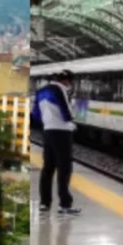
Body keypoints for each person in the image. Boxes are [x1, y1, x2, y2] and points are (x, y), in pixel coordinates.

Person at [35, 70, 81, 215]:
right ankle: (64, 205)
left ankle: (44, 203)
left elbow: (36, 113)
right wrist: (72, 121)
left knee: (47, 168)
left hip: (47, 131)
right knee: (64, 168)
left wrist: (48, 121)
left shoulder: (41, 91)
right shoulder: (60, 90)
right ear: (67, 81)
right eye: (71, 82)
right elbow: (67, 112)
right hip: (62, 132)